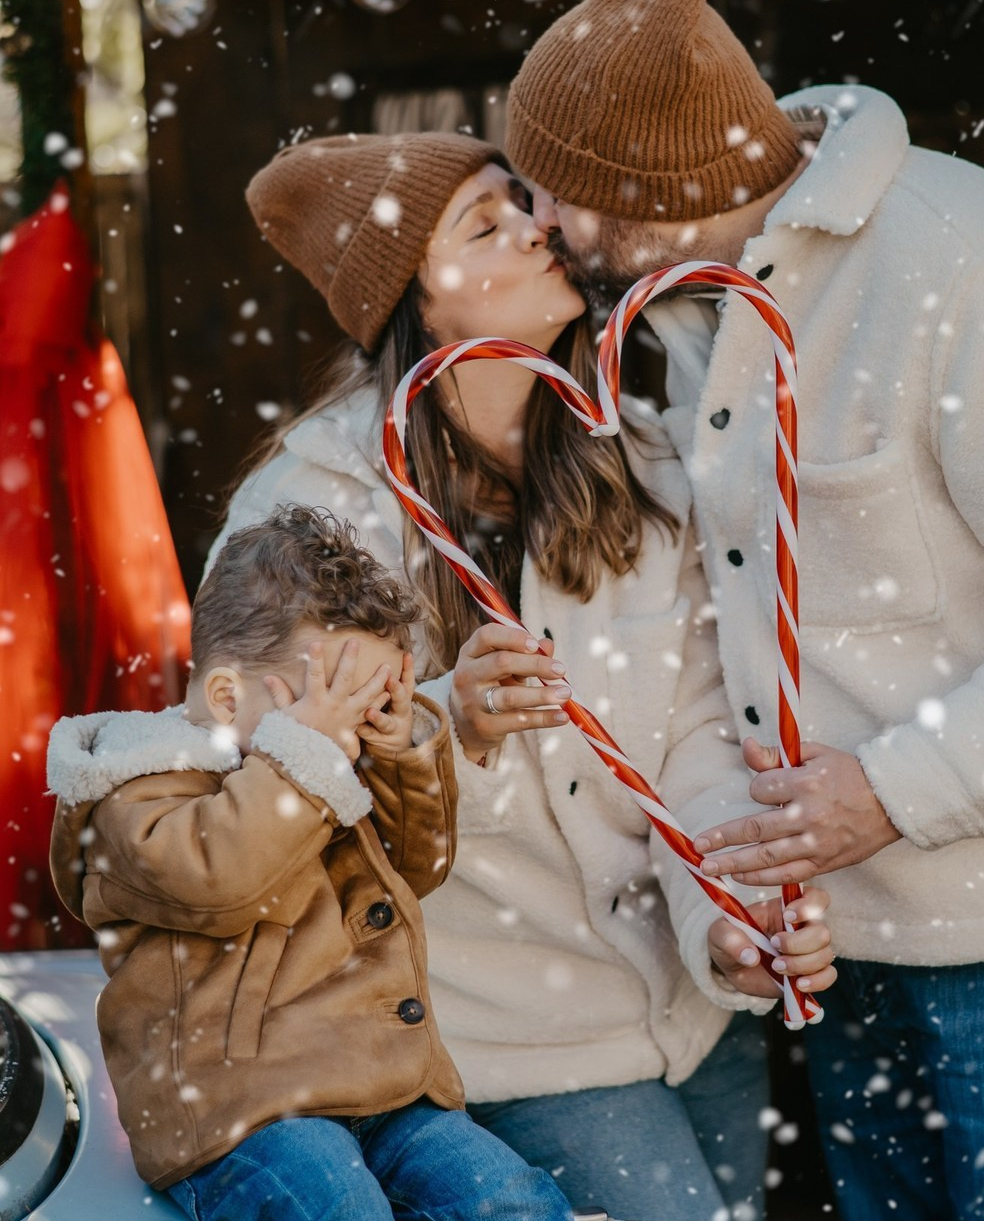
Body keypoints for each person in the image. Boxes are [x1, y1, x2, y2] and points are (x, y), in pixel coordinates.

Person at [502, 0, 984, 1219]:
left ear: (643, 180)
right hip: (839, 941)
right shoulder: (671, 322)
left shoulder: (967, 268)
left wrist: (892, 788)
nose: (545, 225)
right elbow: (716, 638)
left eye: (559, 190)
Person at [209, 130, 837, 1221]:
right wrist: (452, 723)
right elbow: (260, 788)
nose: (540, 226)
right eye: (484, 226)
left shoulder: (638, 462)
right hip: (494, 1032)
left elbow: (695, 728)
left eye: (525, 205)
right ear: (414, 301)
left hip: (691, 1004)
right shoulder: (301, 515)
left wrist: (725, 917)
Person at [46, 504, 574, 1221]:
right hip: (244, 1110)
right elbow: (221, 882)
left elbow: (417, 867)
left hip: (380, 1090)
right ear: (229, 696)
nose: (349, 731)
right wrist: (307, 757)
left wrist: (398, 752)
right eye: (337, 702)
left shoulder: (321, 764)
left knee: (510, 1199)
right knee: (334, 1206)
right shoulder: (138, 788)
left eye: (374, 700)